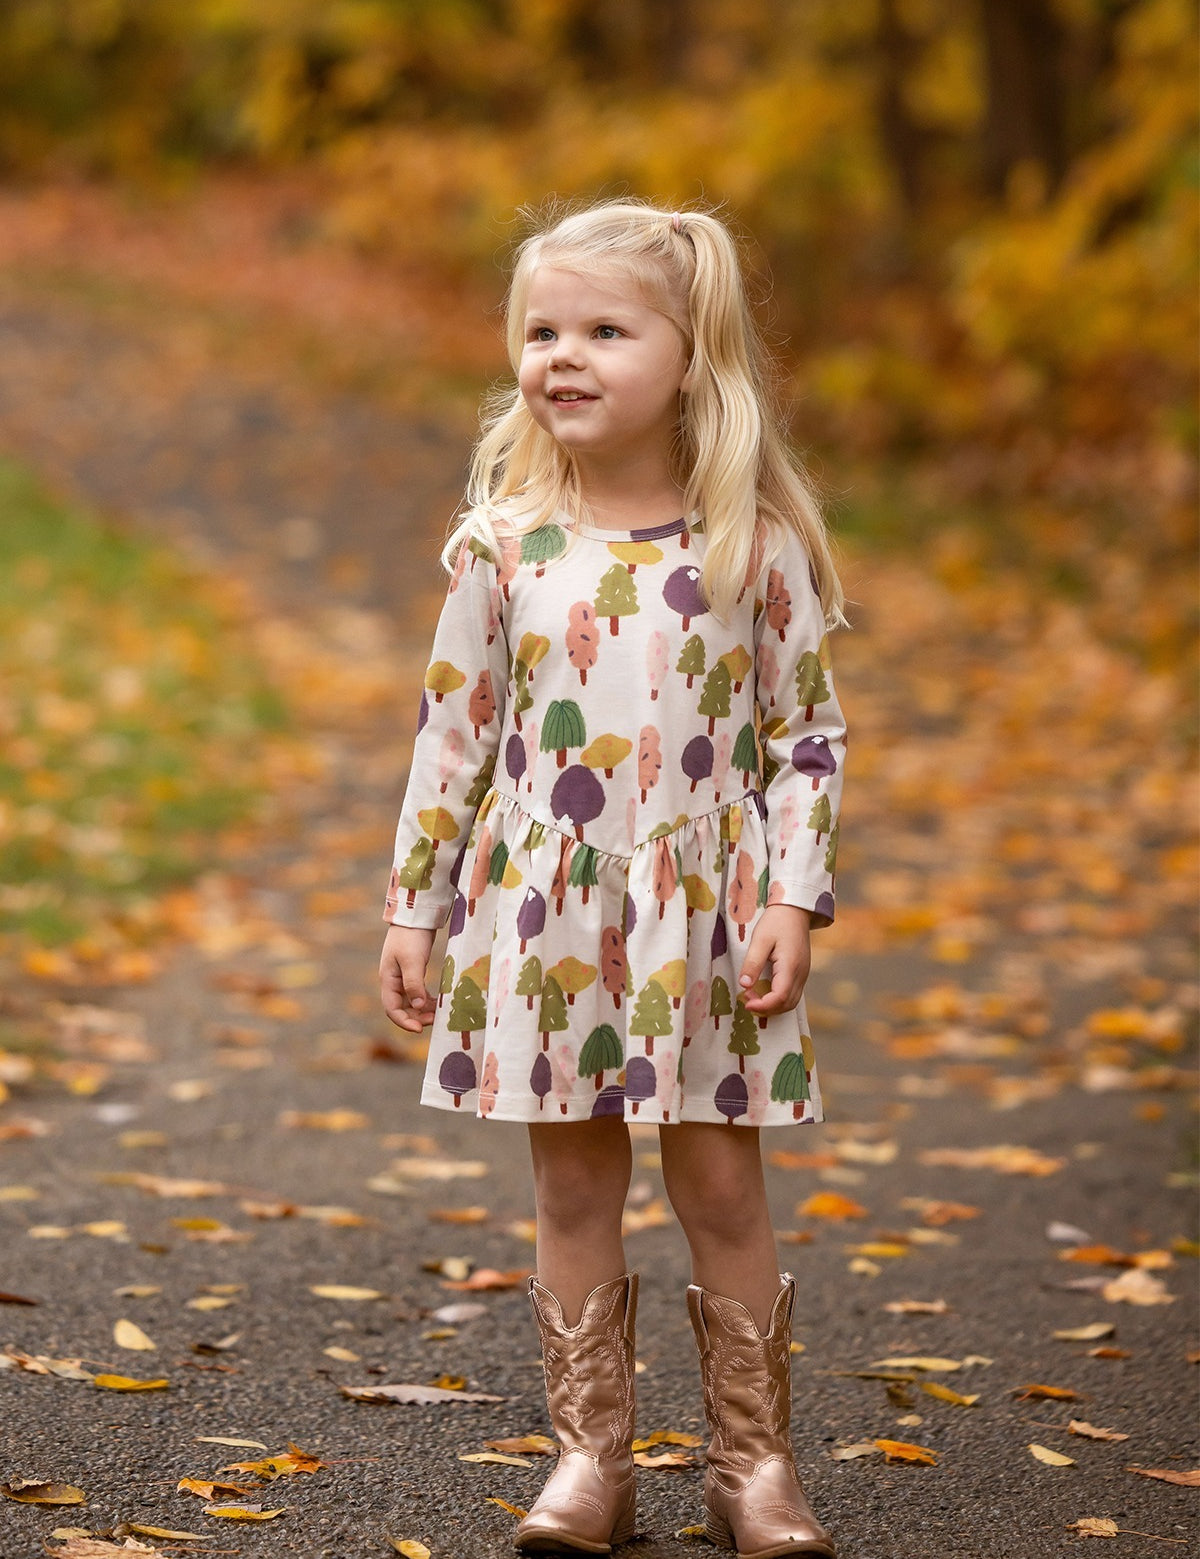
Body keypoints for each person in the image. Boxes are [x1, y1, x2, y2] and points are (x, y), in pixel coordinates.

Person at [379, 198, 844, 1558]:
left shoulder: (751, 548)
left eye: (601, 329)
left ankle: (751, 1468)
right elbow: (453, 733)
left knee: (721, 1189)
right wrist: (416, 907)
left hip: (707, 918)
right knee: (574, 1191)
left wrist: (790, 897)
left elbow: (806, 738)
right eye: (540, 329)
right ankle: (591, 1463)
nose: (560, 355)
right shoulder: (503, 547)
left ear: (689, 358)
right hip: (547, 914)